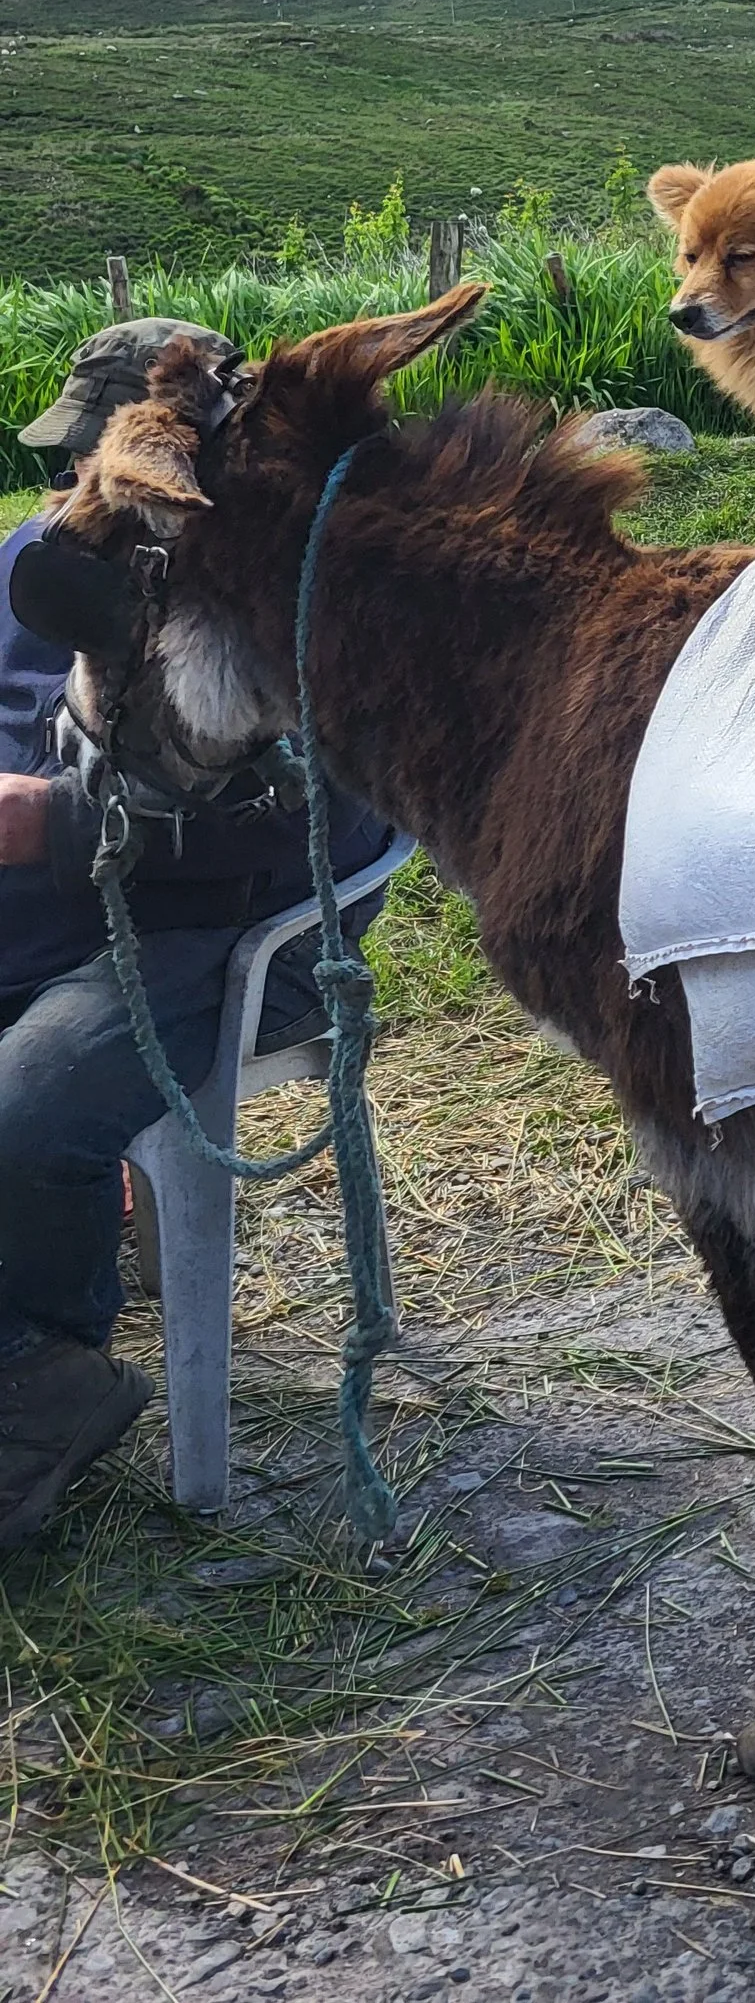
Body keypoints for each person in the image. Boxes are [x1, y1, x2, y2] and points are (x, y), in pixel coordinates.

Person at [0, 321, 393, 1544]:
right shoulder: (42, 559)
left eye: (97, 474)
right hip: (47, 919)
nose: (74, 499)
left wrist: (57, 827)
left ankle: (43, 1377)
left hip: (216, 944)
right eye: (69, 468)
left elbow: (316, 833)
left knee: (27, 1103)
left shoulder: (287, 589)